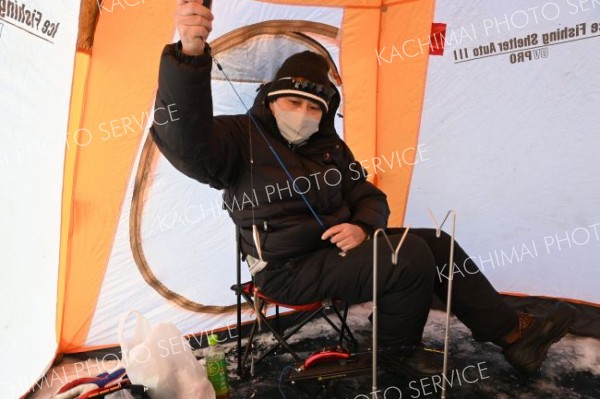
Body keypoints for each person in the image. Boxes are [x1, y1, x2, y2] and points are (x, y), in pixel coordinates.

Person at [150, 0, 575, 380]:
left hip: (339, 254)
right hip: (285, 271)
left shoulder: (330, 148)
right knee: (405, 256)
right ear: (270, 99)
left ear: (324, 112)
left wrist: (362, 227)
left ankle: (511, 335)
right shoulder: (235, 138)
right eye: (292, 102)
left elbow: (370, 197)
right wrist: (189, 54)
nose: (302, 113)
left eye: (313, 106)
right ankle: (394, 354)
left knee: (436, 243)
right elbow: (184, 141)